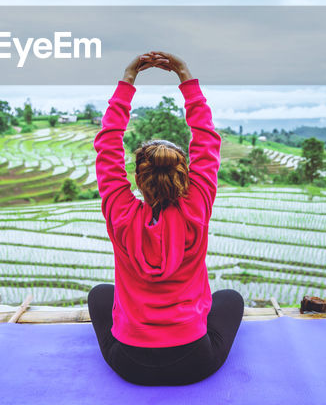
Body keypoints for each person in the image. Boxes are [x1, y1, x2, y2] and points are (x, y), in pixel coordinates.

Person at [87, 50, 244, 386]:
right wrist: (185, 77)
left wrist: (128, 80)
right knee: (230, 299)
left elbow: (107, 147)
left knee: (100, 294)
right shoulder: (197, 206)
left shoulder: (120, 212)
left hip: (128, 361)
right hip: (194, 359)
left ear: (139, 178)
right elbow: (207, 141)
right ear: (185, 175)